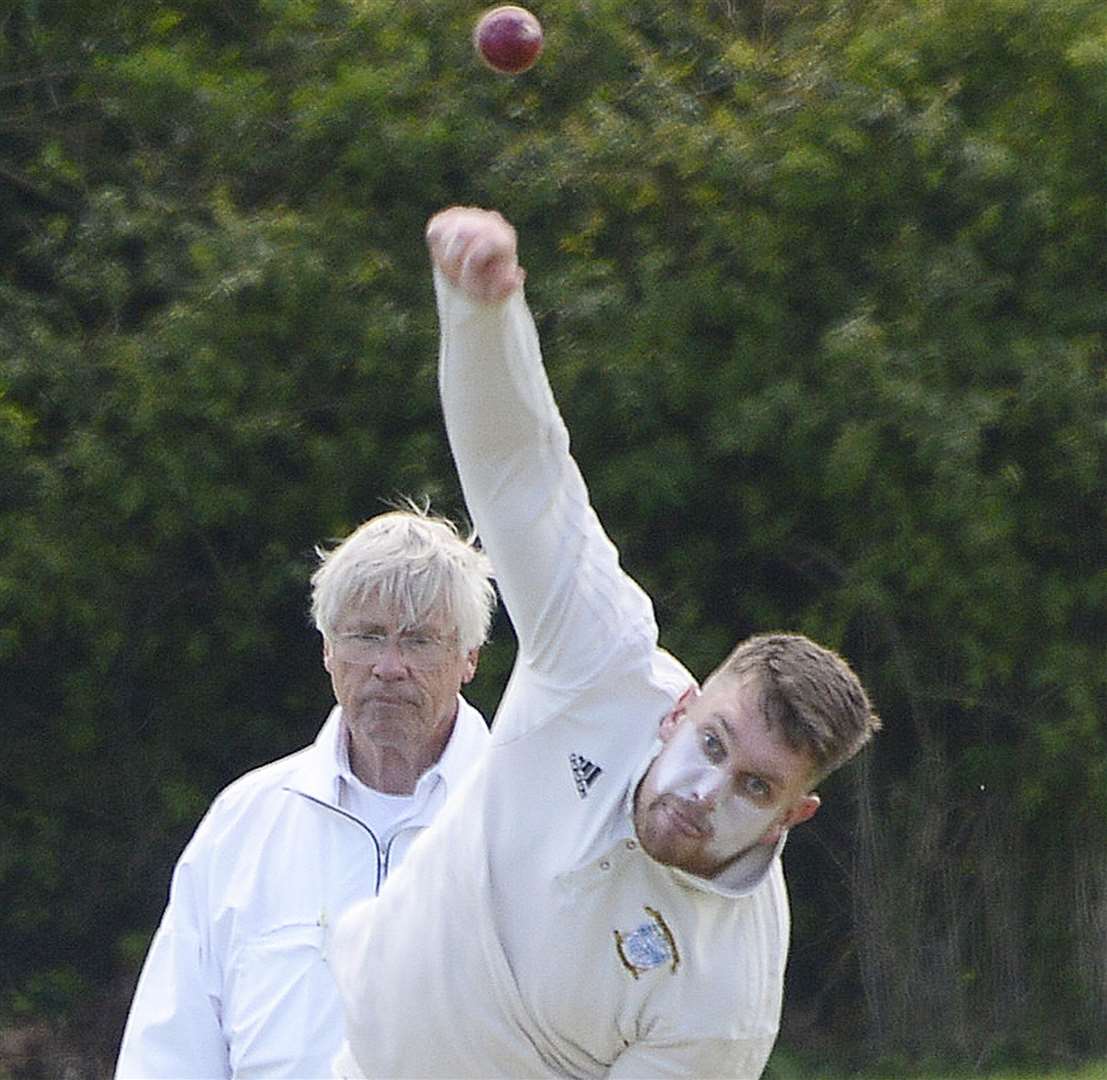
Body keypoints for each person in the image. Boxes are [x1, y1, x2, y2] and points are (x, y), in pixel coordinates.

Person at [330, 207, 882, 1080]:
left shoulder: (726, 997)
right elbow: (523, 475)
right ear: (677, 712)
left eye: (753, 787)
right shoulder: (599, 658)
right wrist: (480, 314)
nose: (704, 792)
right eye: (711, 743)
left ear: (791, 818)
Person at [115, 504, 497, 1079]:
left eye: (418, 642)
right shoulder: (243, 824)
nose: (388, 667)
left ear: (469, 657)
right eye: (366, 637)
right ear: (326, 649)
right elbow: (168, 1056)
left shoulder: (525, 822)